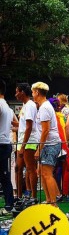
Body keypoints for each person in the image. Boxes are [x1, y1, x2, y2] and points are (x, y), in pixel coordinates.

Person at [31, 82, 61, 205]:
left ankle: (54, 203)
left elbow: (45, 130)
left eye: (33, 92)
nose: (32, 95)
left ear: (37, 92)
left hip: (50, 144)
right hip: (48, 144)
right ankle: (50, 200)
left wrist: (39, 149)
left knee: (47, 174)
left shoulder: (44, 108)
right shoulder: (45, 106)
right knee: (42, 173)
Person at [15, 83, 39, 202]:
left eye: (17, 92)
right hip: (22, 141)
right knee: (18, 168)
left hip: (29, 142)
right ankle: (19, 196)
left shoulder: (30, 105)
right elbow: (24, 126)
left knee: (30, 168)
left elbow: (29, 127)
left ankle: (33, 196)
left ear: (22, 92)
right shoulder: (25, 105)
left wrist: (23, 146)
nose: (15, 95)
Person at [0, 79, 14, 215]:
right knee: (5, 177)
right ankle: (9, 205)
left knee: (4, 177)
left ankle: (10, 205)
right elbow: (16, 123)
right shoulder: (8, 108)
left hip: (1, 144)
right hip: (6, 143)